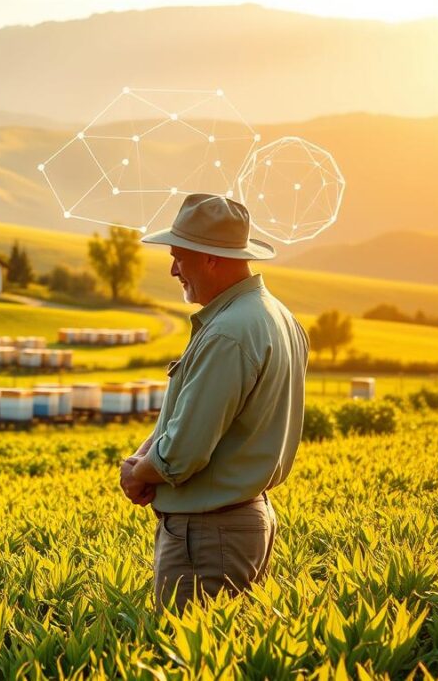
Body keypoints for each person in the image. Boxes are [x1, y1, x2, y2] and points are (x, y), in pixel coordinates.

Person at [119, 193, 309, 611]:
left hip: (208, 536)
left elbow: (181, 454)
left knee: (185, 647)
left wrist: (138, 473)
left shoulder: (228, 332)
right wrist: (143, 457)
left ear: (210, 258)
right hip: (241, 523)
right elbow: (189, 414)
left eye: (179, 257)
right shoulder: (276, 316)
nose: (173, 269)